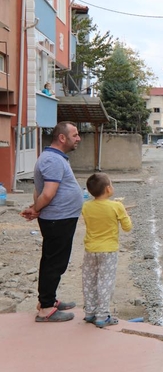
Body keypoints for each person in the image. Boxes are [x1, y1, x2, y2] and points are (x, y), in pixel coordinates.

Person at [20, 121, 83, 322]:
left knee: (54, 261)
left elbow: (39, 190)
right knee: (54, 263)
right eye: (75, 135)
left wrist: (35, 206)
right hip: (58, 219)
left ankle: (48, 300)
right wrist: (36, 209)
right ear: (62, 138)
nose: (78, 138)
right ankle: (46, 308)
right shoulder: (52, 160)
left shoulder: (53, 158)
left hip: (60, 218)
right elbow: (47, 193)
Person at [81, 173, 132, 328]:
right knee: (105, 282)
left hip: (90, 249)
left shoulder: (86, 206)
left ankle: (90, 313)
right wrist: (123, 212)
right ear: (109, 189)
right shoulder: (116, 206)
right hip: (108, 251)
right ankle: (102, 316)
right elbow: (127, 227)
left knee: (89, 280)